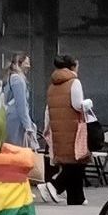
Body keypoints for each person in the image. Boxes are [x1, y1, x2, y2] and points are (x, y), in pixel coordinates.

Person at [44, 53, 89, 205]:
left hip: (58, 128)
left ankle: (76, 197)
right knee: (77, 161)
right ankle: (55, 185)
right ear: (72, 67)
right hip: (73, 127)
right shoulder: (74, 82)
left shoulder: (52, 86)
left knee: (71, 162)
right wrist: (87, 104)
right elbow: (77, 105)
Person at [0, 50, 34, 150]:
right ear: (19, 64)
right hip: (16, 119)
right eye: (26, 63)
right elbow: (21, 104)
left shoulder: (10, 77)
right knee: (17, 149)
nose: (28, 66)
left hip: (10, 116)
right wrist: (28, 125)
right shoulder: (18, 80)